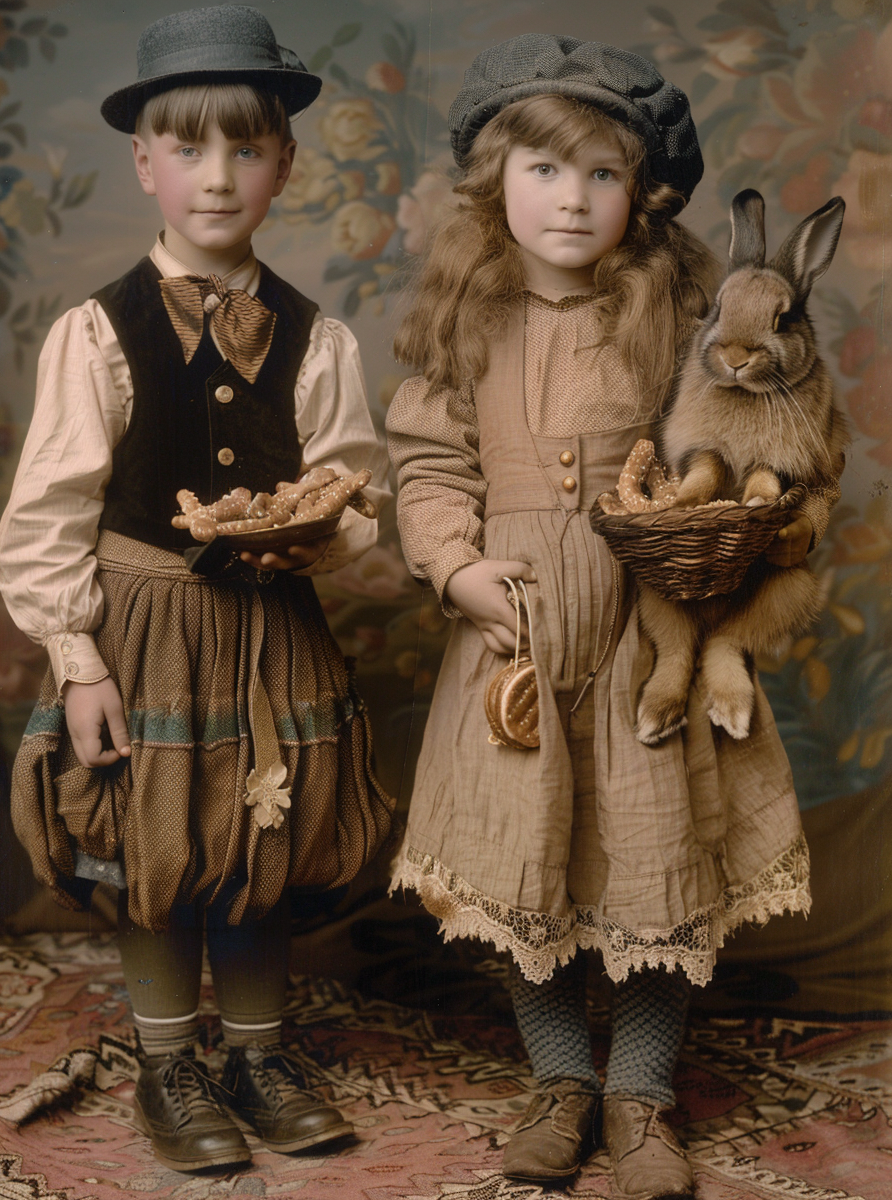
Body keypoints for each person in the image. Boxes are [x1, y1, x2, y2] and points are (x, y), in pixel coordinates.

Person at [387, 35, 840, 1197]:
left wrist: (741, 521)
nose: (574, 199)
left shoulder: (679, 312)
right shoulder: (466, 320)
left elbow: (737, 439)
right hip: (519, 629)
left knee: (657, 857)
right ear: (497, 183)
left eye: (603, 173)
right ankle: (561, 1083)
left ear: (647, 193)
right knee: (523, 857)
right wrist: (456, 569)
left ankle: (639, 1092)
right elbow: (431, 464)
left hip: (651, 622)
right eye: (545, 170)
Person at [0, 5, 393, 1176]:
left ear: (286, 161)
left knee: (261, 832)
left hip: (270, 629)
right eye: (188, 149)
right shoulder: (96, 334)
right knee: (160, 840)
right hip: (145, 626)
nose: (217, 177)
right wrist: (80, 664)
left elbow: (353, 497)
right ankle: (171, 1061)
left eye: (246, 148)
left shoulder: (320, 344)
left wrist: (311, 539)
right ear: (144, 162)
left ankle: (261, 1055)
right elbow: (50, 513)